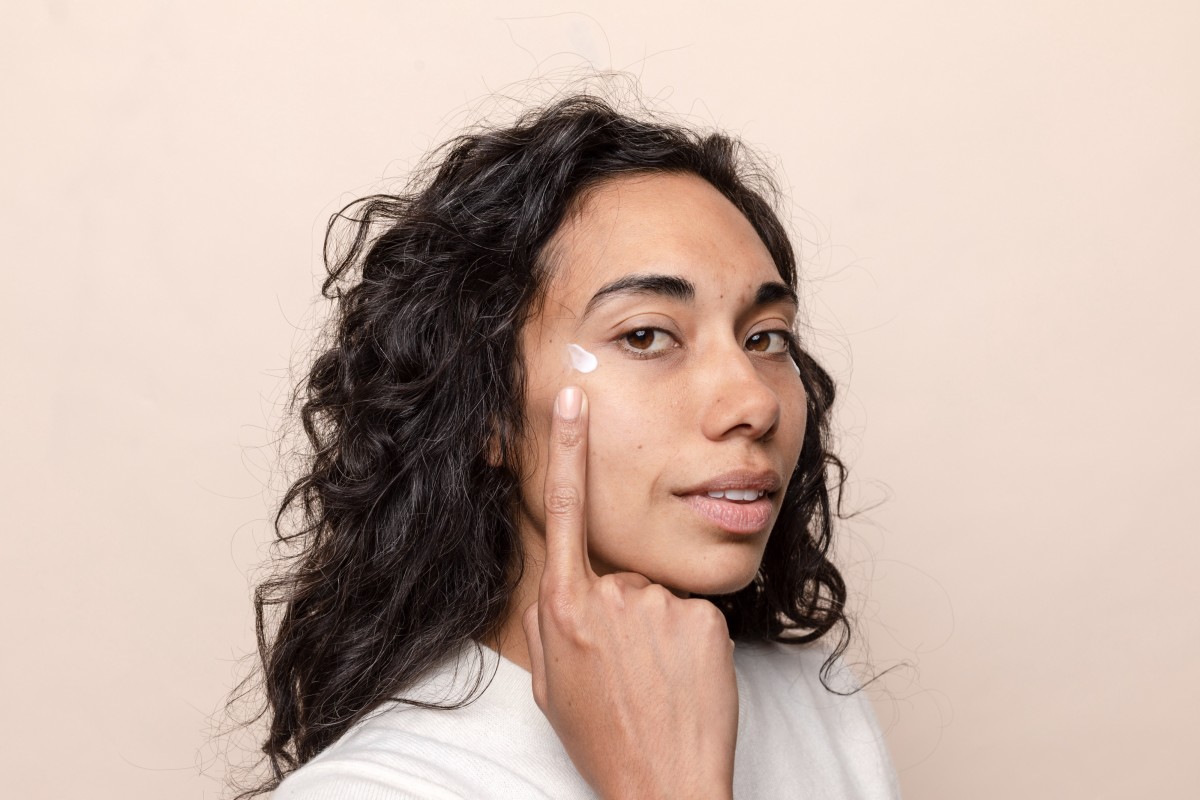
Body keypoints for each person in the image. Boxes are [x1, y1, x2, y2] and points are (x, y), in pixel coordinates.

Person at [239, 92, 900, 799]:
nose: (755, 401)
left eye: (765, 338)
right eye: (645, 335)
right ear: (485, 407)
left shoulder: (815, 697)